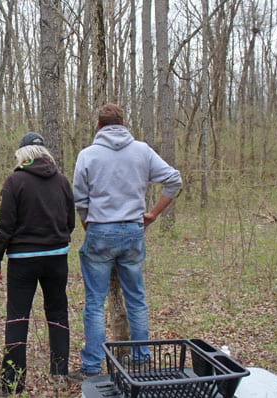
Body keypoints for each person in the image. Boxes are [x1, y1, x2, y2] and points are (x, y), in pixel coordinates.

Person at [71, 103, 182, 379]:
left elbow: (80, 199)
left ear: (98, 126)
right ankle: (141, 358)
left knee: (94, 302)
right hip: (133, 231)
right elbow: (174, 180)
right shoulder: (142, 151)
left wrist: (88, 224)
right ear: (123, 124)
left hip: (99, 231)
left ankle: (92, 366)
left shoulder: (87, 155)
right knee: (136, 298)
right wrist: (153, 214)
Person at [0, 132, 75, 395]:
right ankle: (59, 374)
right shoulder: (61, 181)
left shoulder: (14, 181)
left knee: (17, 317)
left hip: (22, 262)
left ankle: (12, 384)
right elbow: (70, 221)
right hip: (56, 258)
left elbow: (4, 225)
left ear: (22, 154)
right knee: (58, 314)